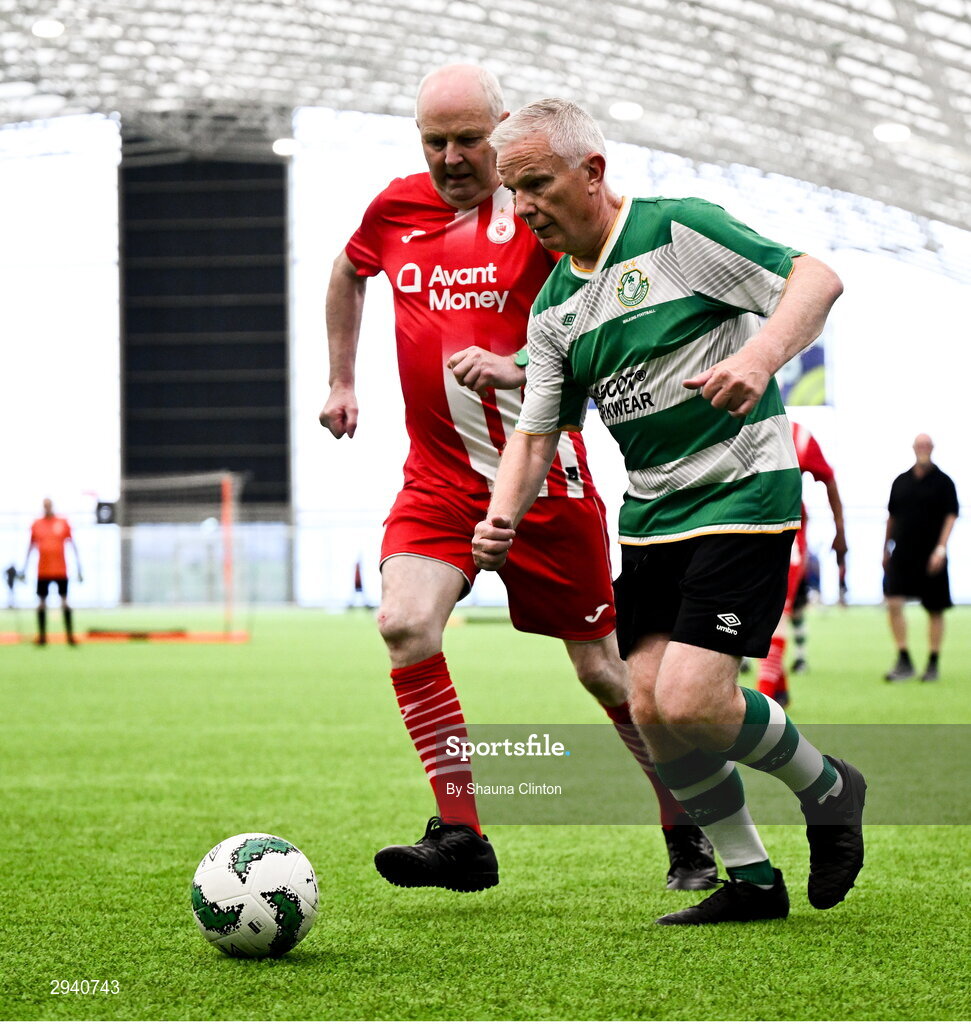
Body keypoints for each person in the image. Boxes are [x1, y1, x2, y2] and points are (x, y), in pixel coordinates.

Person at [319, 65, 715, 894]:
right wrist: (341, 379)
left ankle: (686, 823)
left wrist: (517, 365)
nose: (453, 157)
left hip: (541, 479)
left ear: (501, 130)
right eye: (436, 142)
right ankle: (461, 837)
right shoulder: (395, 210)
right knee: (403, 624)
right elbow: (347, 272)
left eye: (470, 139)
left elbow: (604, 309)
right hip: (435, 480)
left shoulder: (541, 209)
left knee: (605, 673)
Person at [474, 98, 867, 925]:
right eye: (513, 193)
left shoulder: (677, 231)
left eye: (537, 184)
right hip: (651, 516)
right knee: (648, 707)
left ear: (592, 171)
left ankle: (828, 789)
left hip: (741, 490)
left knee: (691, 700)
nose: (524, 209)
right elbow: (536, 431)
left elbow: (816, 278)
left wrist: (758, 356)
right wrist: (501, 515)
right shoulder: (552, 312)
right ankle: (751, 881)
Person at [758, 421, 847, 702]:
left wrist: (840, 531)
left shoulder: (799, 435)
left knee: (778, 613)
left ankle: (766, 699)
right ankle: (780, 689)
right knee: (760, 616)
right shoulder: (730, 429)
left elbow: (828, 478)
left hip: (788, 540)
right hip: (743, 538)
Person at [883, 433, 959, 683]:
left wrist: (941, 548)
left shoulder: (944, 482)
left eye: (927, 445)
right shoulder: (901, 481)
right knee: (893, 602)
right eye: (920, 445)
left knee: (935, 609)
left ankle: (933, 663)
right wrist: (885, 547)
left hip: (931, 556)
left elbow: (951, 515)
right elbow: (891, 516)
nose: (923, 448)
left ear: (932, 448)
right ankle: (904, 659)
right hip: (902, 553)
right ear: (914, 448)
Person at [23, 498, 82, 646]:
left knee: (65, 602)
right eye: (45, 506)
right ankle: (42, 636)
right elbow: (30, 546)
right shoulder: (37, 524)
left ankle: (69, 636)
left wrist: (79, 567)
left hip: (61, 570)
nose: (47, 508)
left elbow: (72, 544)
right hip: (42, 571)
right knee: (41, 603)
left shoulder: (62, 522)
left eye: (49, 505)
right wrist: (24, 568)